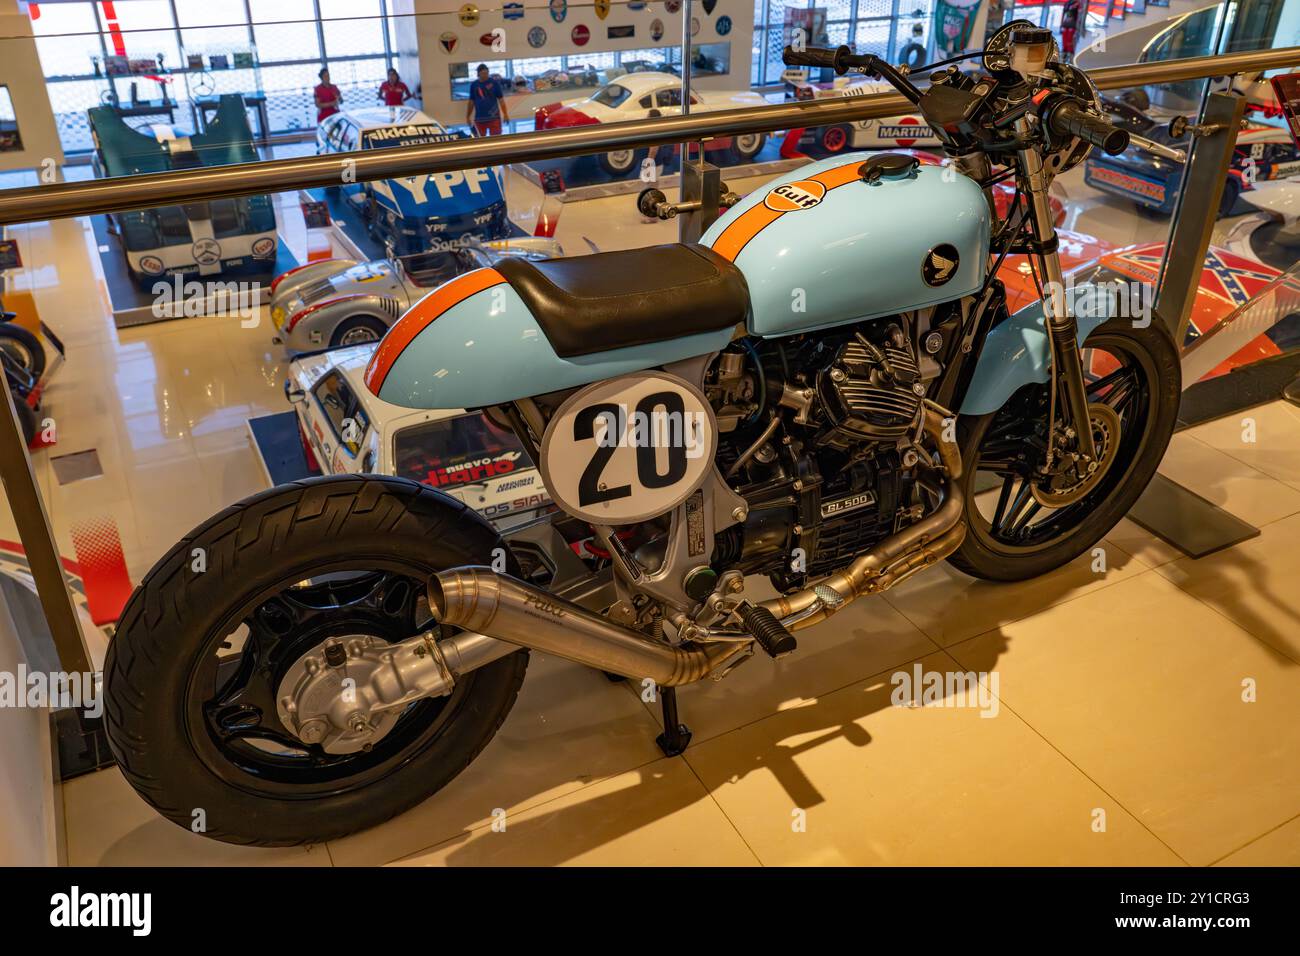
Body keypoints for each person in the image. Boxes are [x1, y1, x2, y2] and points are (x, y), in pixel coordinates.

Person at [466, 64, 508, 136]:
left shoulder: (494, 83)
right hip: (479, 118)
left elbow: (501, 100)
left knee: (496, 139)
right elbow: (471, 102)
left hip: (494, 117)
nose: (485, 75)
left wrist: (505, 114)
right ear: (478, 74)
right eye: (483, 73)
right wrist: (468, 116)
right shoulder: (474, 85)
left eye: (486, 73)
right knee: (479, 139)